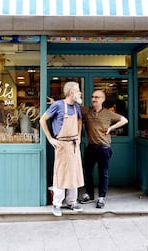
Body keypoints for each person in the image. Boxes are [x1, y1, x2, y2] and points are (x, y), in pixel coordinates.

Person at [39, 81, 84, 216]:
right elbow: (42, 120)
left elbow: (79, 121)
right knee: (60, 174)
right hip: (62, 145)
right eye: (78, 90)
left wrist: (79, 136)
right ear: (71, 92)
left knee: (74, 174)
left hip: (74, 145)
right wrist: (50, 139)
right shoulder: (58, 105)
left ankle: (72, 202)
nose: (80, 93)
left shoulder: (77, 107)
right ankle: (57, 204)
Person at [79, 89, 128, 208]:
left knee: (103, 173)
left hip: (104, 148)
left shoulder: (108, 113)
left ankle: (101, 197)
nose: (94, 99)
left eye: (97, 97)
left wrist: (111, 128)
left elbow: (124, 120)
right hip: (91, 147)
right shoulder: (86, 111)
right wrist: (55, 103)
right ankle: (89, 194)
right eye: (93, 96)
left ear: (103, 99)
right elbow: (72, 106)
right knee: (88, 173)